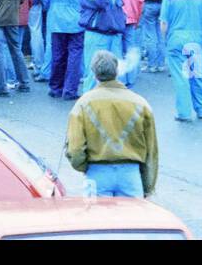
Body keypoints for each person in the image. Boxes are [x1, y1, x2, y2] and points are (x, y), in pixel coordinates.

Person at [65, 50, 160, 197]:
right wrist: (148, 186)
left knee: (99, 219)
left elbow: (75, 149)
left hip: (97, 174)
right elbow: (151, 151)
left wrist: (85, 167)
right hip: (131, 174)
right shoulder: (141, 104)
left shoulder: (83, 104)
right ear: (117, 71)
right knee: (132, 219)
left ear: (94, 73)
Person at [78, 0, 127, 94]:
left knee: (116, 71)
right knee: (93, 70)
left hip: (114, 33)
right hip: (96, 34)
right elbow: (99, 1)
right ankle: (88, 101)